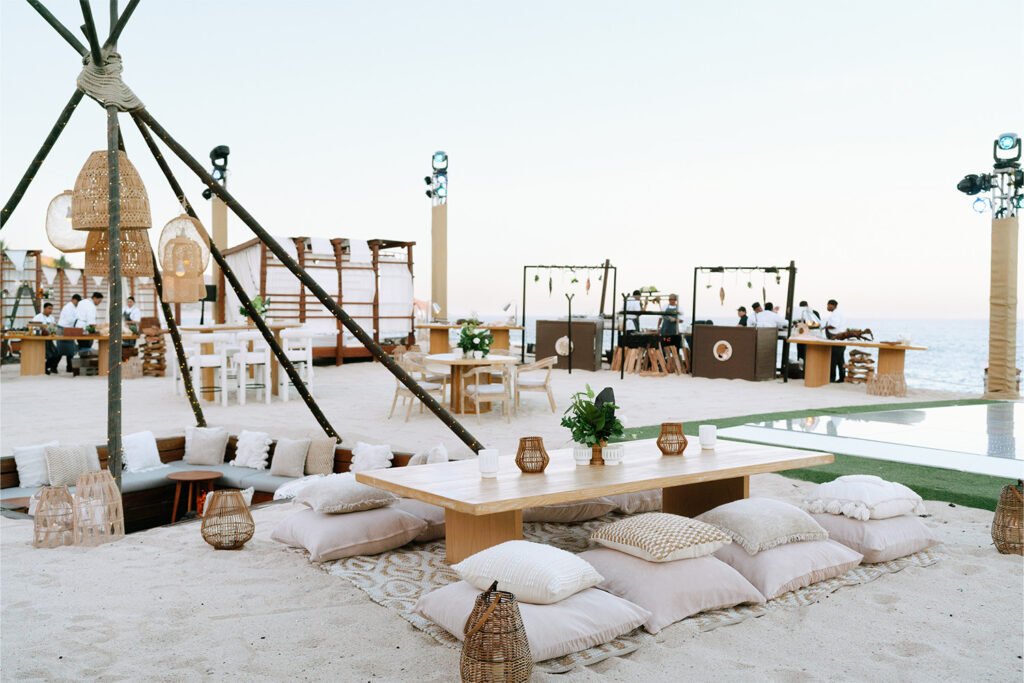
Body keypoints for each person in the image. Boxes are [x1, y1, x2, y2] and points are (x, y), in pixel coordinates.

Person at [55, 295, 81, 373]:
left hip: (68, 329)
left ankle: (69, 367)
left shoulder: (73, 307)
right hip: (62, 328)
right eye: (77, 301)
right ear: (73, 300)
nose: (78, 303)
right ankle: (53, 366)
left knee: (70, 349)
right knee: (60, 350)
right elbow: (70, 320)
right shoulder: (68, 307)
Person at [823, 299, 846, 382]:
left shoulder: (835, 314)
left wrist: (824, 327)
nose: (827, 307)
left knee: (833, 360)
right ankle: (842, 378)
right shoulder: (837, 313)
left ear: (832, 306)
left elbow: (834, 325)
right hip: (840, 340)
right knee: (840, 360)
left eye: (828, 305)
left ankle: (832, 378)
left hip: (836, 339)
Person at [31, 303, 59, 373]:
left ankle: (53, 367)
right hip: (41, 339)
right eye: (49, 308)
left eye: (51, 309)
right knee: (49, 355)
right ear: (44, 308)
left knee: (57, 353)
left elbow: (54, 328)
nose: (50, 310)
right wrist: (41, 328)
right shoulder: (38, 317)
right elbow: (32, 327)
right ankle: (45, 368)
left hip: (49, 339)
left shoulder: (51, 318)